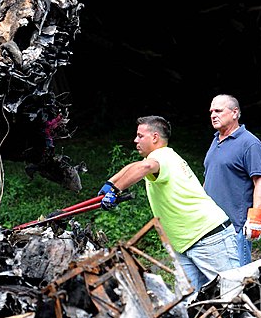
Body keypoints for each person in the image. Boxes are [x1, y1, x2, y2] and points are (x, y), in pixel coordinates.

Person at [98, 115, 240, 291]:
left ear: (155, 137)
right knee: (191, 303)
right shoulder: (163, 157)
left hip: (208, 238)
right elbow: (135, 166)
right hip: (186, 244)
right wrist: (111, 184)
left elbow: (144, 168)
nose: (135, 140)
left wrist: (116, 191)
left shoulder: (161, 157)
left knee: (232, 295)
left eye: (140, 136)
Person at [204, 94, 261, 266]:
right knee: (216, 285)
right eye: (211, 111)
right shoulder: (216, 140)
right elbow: (209, 178)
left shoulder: (250, 143)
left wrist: (256, 218)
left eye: (218, 110)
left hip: (234, 228)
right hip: (210, 226)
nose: (213, 115)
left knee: (238, 282)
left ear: (234, 113)